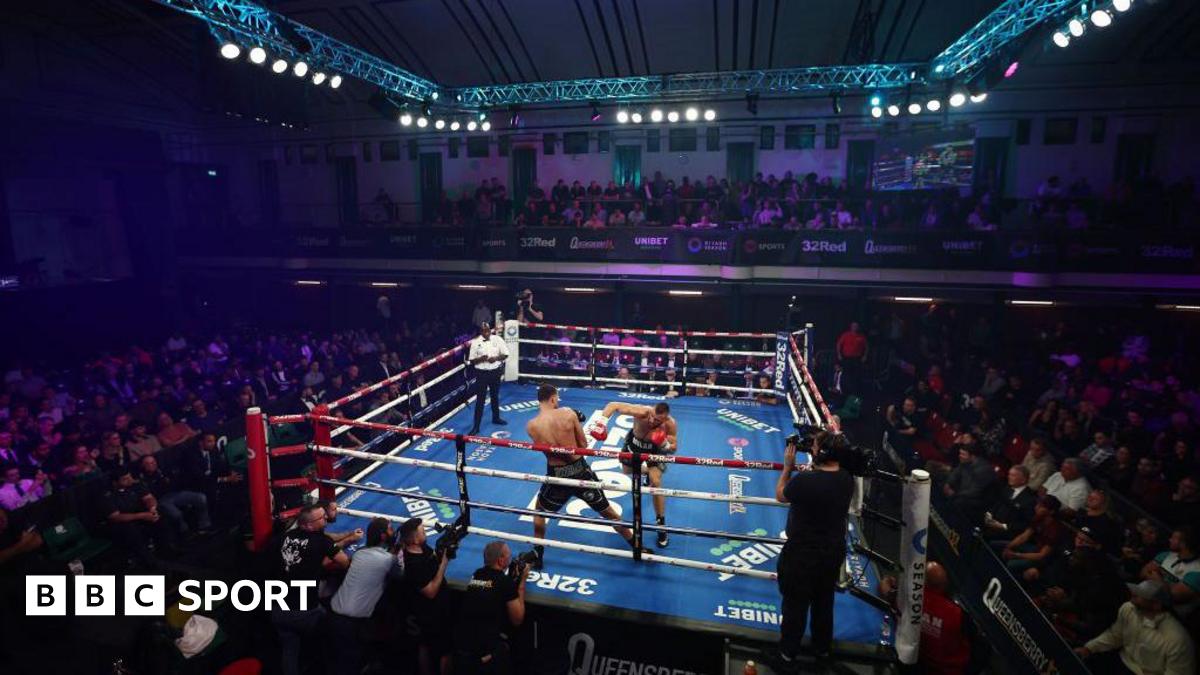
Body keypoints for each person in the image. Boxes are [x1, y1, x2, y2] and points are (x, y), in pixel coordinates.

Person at [527, 385, 637, 566]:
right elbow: (584, 445)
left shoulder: (531, 426)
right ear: (553, 398)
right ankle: (636, 545)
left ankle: (538, 553)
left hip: (556, 475)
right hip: (580, 471)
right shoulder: (568, 414)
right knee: (608, 512)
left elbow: (549, 451)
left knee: (539, 512)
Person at [773, 431, 855, 667]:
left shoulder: (806, 482)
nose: (812, 449)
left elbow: (780, 495)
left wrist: (787, 467)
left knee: (795, 606)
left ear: (822, 452)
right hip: (832, 553)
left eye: (815, 447)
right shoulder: (846, 479)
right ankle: (822, 652)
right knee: (823, 603)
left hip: (802, 555)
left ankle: (787, 656)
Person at [591, 399, 679, 548]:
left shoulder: (670, 424)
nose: (652, 421)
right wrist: (601, 423)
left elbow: (674, 448)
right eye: (652, 416)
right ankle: (644, 472)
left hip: (655, 451)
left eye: (657, 420)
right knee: (627, 471)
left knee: (656, 482)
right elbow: (614, 405)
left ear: (664, 418)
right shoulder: (643, 411)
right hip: (635, 444)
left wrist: (664, 443)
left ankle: (661, 524)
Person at [273, 504, 350, 675]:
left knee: (289, 649)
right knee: (334, 633)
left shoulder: (285, 536)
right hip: (304, 611)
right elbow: (344, 562)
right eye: (321, 518)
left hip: (277, 605)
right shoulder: (322, 541)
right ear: (308, 525)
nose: (326, 519)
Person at [329, 517, 404, 675]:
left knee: (338, 661)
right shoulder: (388, 560)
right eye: (390, 529)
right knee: (350, 664)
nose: (393, 531)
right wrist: (401, 553)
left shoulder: (359, 553)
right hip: (354, 622)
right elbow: (401, 575)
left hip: (334, 614)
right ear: (383, 536)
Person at [1076, 579, 1194, 675]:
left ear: (1156, 605)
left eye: (1139, 596)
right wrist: (1089, 648)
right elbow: (1115, 635)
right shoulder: (1128, 609)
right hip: (1120, 661)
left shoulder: (1177, 638)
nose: (1132, 598)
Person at [453, 540, 528, 675]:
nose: (510, 560)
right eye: (508, 557)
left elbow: (490, 589)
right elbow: (517, 619)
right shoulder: (505, 583)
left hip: (464, 646)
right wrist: (521, 583)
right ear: (500, 560)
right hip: (485, 654)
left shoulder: (477, 574)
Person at [401, 517, 453, 675]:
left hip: (435, 610)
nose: (426, 533)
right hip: (430, 614)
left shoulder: (423, 548)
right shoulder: (413, 564)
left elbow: (433, 560)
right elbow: (430, 591)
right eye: (423, 532)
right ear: (415, 540)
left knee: (425, 645)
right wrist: (444, 563)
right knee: (444, 650)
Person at [99, 468, 173, 566]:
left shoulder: (135, 485)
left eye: (130, 477)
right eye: (125, 479)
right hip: (122, 522)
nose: (130, 480)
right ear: (115, 482)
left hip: (140, 514)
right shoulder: (108, 495)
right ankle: (148, 561)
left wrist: (152, 509)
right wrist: (142, 516)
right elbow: (115, 517)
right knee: (130, 529)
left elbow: (149, 497)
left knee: (160, 513)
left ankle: (166, 549)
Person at [138, 455, 211, 537]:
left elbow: (174, 482)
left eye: (153, 462)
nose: (152, 464)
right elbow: (150, 496)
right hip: (160, 500)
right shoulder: (142, 479)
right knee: (176, 514)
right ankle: (186, 532)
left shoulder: (161, 471)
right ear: (143, 465)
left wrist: (172, 481)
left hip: (173, 494)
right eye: (148, 463)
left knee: (200, 498)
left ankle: (204, 526)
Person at [1142, 526, 1200, 619]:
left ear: (1183, 544)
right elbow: (1143, 572)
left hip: (1171, 617)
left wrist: (1157, 576)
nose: (1170, 540)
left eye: (1173, 538)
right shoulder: (1165, 555)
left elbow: (1173, 597)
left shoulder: (1197, 571)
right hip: (1147, 602)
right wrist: (1164, 585)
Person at [467, 322, 509, 436]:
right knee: (480, 400)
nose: (486, 333)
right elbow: (471, 360)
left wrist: (495, 358)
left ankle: (496, 418)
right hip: (482, 374)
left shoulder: (497, 339)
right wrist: (481, 359)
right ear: (480, 331)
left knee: (495, 395)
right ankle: (476, 427)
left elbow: (505, 354)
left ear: (490, 330)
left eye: (487, 330)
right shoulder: (475, 343)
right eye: (483, 331)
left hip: (495, 372)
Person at [983, 465, 1037, 543]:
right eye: (1009, 474)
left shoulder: (1030, 499)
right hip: (993, 524)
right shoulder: (1007, 488)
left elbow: (1025, 523)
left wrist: (1003, 526)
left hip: (1008, 533)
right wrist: (989, 515)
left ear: (1023, 480)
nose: (1009, 477)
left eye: (1013, 475)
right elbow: (996, 504)